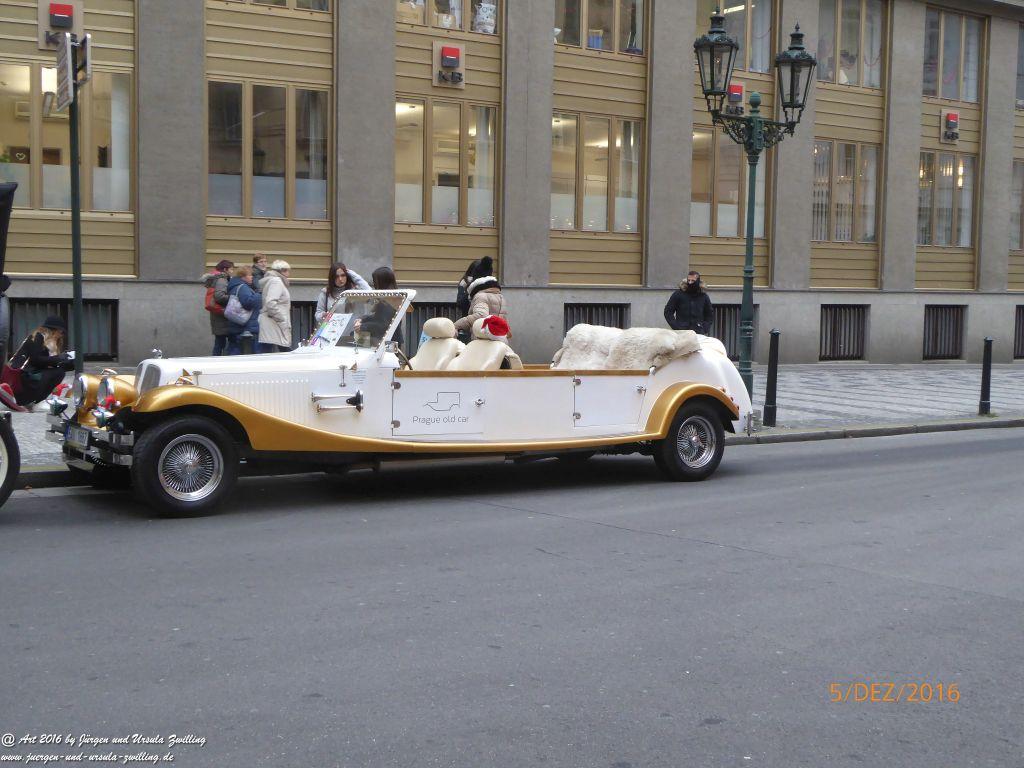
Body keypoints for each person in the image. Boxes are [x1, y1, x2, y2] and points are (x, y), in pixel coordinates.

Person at [0, 316, 75, 410]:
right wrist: (59, 358)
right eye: (61, 332)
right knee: (58, 373)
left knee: (59, 372)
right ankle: (36, 402)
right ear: (55, 330)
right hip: (20, 378)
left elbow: (47, 363)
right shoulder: (38, 337)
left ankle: (32, 401)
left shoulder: (46, 341)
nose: (61, 335)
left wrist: (67, 361)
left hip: (25, 378)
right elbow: (36, 360)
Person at [454, 258, 510, 340]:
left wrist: (455, 325)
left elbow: (480, 315)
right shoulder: (500, 296)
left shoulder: (480, 296)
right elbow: (504, 321)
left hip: (483, 341)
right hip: (499, 341)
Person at [356, 267, 404, 347]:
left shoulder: (391, 299)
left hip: (389, 342)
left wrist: (363, 326)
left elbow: (384, 324)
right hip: (385, 340)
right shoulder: (388, 296)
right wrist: (362, 319)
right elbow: (378, 317)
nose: (374, 284)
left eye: (375, 281)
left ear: (383, 281)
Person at [663, 270, 714, 335]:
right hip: (682, 332)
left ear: (698, 281)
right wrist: (676, 327)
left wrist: (705, 328)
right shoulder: (678, 294)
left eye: (693, 281)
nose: (690, 283)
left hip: (698, 332)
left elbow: (709, 314)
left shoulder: (703, 296)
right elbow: (668, 312)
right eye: (689, 280)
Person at [225, 265, 262, 355]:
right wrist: (258, 295)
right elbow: (248, 304)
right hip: (246, 327)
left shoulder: (235, 286)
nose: (252, 277)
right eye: (250, 275)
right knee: (246, 355)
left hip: (237, 326)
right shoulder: (243, 287)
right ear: (243, 276)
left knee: (235, 352)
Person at [258, 260, 293, 353]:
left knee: (270, 351)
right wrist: (280, 318)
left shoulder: (273, 280)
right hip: (274, 322)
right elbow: (270, 303)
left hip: (273, 322)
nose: (288, 273)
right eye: (287, 270)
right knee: (283, 351)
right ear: (281, 271)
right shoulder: (276, 281)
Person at [203, 259, 234, 355]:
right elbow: (219, 296)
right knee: (222, 344)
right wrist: (233, 298)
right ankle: (218, 363)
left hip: (217, 315)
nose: (232, 271)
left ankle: (215, 362)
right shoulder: (222, 279)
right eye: (231, 269)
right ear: (225, 269)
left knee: (219, 343)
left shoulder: (216, 278)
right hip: (222, 316)